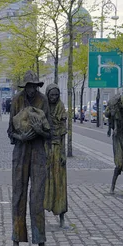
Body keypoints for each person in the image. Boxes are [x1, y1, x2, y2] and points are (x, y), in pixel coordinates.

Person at [8, 70, 51, 246]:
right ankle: (16, 241)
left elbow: (50, 133)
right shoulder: (17, 100)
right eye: (29, 86)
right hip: (21, 151)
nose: (32, 89)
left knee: (37, 197)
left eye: (34, 86)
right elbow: (10, 131)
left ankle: (40, 241)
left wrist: (38, 131)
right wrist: (21, 136)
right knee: (18, 195)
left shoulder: (44, 101)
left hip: (38, 152)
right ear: (24, 87)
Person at [43, 83, 68, 228]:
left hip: (58, 149)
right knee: (44, 182)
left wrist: (63, 153)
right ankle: (40, 215)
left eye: (56, 95)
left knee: (60, 182)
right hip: (45, 148)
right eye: (51, 95)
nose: (54, 97)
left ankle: (62, 216)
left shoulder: (61, 108)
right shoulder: (43, 108)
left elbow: (63, 133)